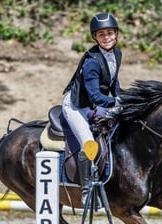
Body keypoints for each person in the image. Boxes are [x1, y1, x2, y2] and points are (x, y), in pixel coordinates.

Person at [62, 12, 123, 206]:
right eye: (101, 34)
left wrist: (124, 99)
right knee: (89, 143)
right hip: (76, 106)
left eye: (110, 33)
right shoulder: (91, 62)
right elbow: (95, 96)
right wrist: (117, 102)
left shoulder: (117, 53)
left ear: (116, 34)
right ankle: (87, 189)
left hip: (93, 103)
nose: (106, 38)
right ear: (95, 37)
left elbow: (114, 83)